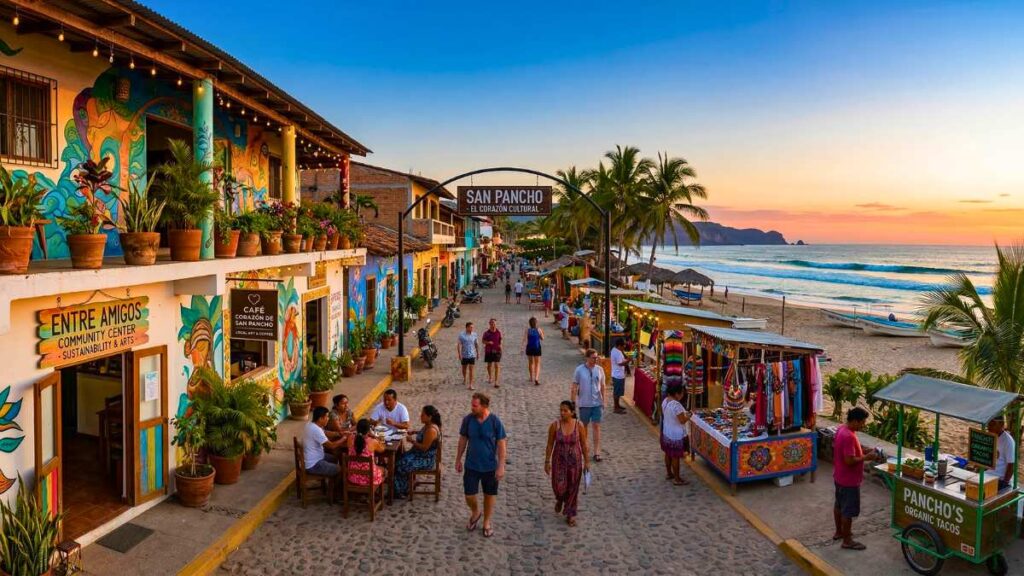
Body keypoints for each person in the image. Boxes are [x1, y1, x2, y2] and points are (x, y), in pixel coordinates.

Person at [456, 393, 507, 538]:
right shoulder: (468, 420)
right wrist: (458, 459)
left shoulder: (495, 421)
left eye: (475, 405)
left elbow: (502, 444)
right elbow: (463, 439)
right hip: (471, 465)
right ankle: (476, 512)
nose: (472, 408)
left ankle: (486, 522)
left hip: (490, 466)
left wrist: (501, 465)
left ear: (484, 406)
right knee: (469, 495)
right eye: (472, 405)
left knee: (489, 495)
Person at [833, 407, 881, 551]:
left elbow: (850, 452)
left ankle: (839, 532)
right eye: (862, 423)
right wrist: (867, 457)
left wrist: (865, 451)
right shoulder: (848, 436)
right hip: (849, 480)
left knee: (838, 506)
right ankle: (847, 540)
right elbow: (849, 460)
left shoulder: (842, 429)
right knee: (848, 511)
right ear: (854, 421)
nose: (863, 425)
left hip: (839, 477)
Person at [545, 400, 588, 526]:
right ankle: (560, 498)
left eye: (565, 410)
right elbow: (549, 444)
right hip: (559, 461)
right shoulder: (555, 426)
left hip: (575, 462)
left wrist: (587, 462)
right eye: (561, 410)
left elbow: (584, 445)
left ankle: (570, 513)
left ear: (572, 412)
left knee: (573, 488)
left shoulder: (578, 426)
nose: (562, 413)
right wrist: (547, 461)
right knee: (558, 487)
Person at [393, 406, 442, 498]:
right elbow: (423, 433)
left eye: (423, 415)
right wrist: (415, 432)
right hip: (418, 455)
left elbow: (424, 448)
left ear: (429, 417)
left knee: (400, 464)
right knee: (398, 458)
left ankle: (401, 490)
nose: (420, 416)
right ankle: (404, 485)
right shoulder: (428, 425)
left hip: (424, 459)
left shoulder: (431, 430)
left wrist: (412, 441)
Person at [572, 348, 605, 462]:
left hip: (597, 403)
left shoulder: (600, 370)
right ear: (587, 358)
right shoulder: (579, 370)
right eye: (593, 357)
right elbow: (574, 386)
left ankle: (597, 452)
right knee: (584, 427)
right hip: (584, 403)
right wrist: (573, 403)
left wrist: (603, 401)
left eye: (596, 357)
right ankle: (585, 448)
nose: (596, 359)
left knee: (596, 426)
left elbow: (602, 386)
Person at [660, 384, 691, 485]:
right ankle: (677, 479)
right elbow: (682, 420)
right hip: (675, 434)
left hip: (667, 431)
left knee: (668, 453)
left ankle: (669, 473)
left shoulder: (665, 401)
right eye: (682, 393)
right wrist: (689, 415)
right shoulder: (676, 405)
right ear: (677, 394)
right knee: (675, 457)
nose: (683, 395)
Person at [303, 406, 347, 476]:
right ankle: (333, 486)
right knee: (340, 469)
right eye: (327, 417)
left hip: (313, 458)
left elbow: (325, 432)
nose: (328, 419)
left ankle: (331, 481)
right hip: (314, 464)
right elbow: (331, 446)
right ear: (320, 419)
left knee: (335, 459)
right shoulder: (316, 430)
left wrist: (339, 434)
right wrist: (344, 438)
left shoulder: (310, 424)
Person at [346, 418, 385, 487]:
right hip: (369, 478)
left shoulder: (350, 438)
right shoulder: (372, 442)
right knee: (383, 470)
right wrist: (375, 437)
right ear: (369, 430)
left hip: (353, 477)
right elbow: (382, 449)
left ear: (357, 429)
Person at [988, 415, 1016, 490]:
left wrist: (1005, 483)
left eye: (992, 424)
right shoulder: (990, 436)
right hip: (987, 475)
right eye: (988, 424)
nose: (989, 427)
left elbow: (1011, 465)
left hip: (999, 479)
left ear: (1001, 424)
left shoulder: (1008, 441)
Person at [609, 339, 630, 415]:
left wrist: (626, 359)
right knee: (617, 392)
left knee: (618, 392)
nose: (624, 346)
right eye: (623, 345)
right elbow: (620, 363)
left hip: (618, 374)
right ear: (619, 346)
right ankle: (616, 408)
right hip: (617, 375)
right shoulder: (616, 352)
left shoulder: (617, 351)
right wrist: (628, 360)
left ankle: (617, 405)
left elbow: (621, 360)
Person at [523, 316, 545, 386]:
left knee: (530, 363)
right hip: (537, 347)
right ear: (536, 323)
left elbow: (525, 340)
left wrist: (522, 348)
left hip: (529, 348)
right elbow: (542, 338)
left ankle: (531, 377)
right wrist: (541, 335)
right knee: (537, 363)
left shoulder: (528, 330)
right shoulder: (539, 330)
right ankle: (536, 378)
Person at [458, 322, 480, 390]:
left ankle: (470, 384)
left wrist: (478, 353)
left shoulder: (475, 335)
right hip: (464, 355)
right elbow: (459, 345)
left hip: (472, 355)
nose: (472, 328)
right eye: (471, 327)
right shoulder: (461, 335)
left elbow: (476, 344)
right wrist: (459, 354)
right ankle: (464, 378)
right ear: (467, 327)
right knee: (464, 369)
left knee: (471, 370)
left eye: (472, 327)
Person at [482, 318, 503, 388]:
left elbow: (500, 340)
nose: (493, 325)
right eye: (491, 323)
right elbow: (483, 341)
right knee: (489, 365)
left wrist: (500, 346)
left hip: (497, 351)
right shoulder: (486, 333)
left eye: (494, 323)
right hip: (489, 351)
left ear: (495, 324)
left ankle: (496, 381)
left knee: (497, 365)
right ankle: (490, 376)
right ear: (489, 324)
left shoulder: (498, 332)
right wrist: (488, 342)